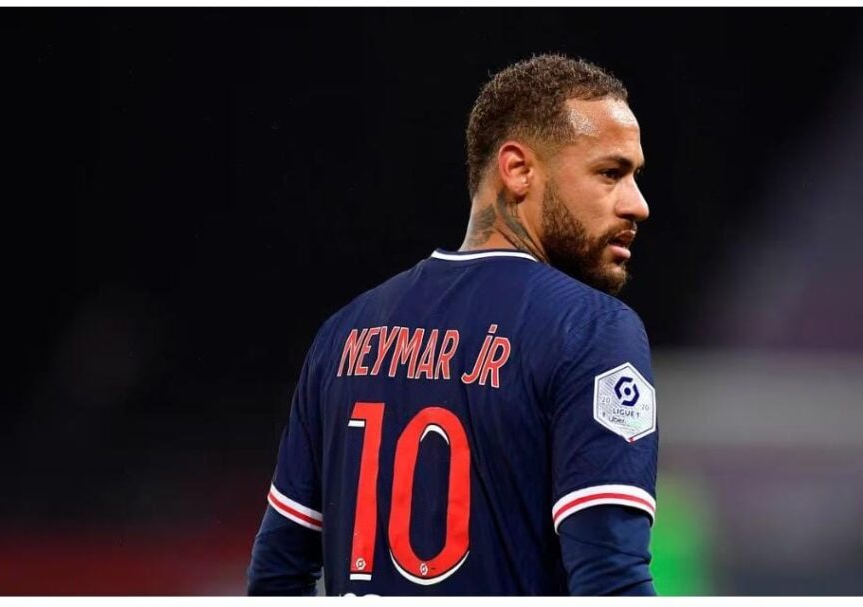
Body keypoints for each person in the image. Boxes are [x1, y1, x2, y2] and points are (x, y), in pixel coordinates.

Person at [247, 53, 657, 596]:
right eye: (610, 173)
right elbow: (612, 582)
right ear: (518, 170)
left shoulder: (345, 334)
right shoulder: (591, 331)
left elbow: (276, 577)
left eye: (634, 177)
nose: (638, 205)